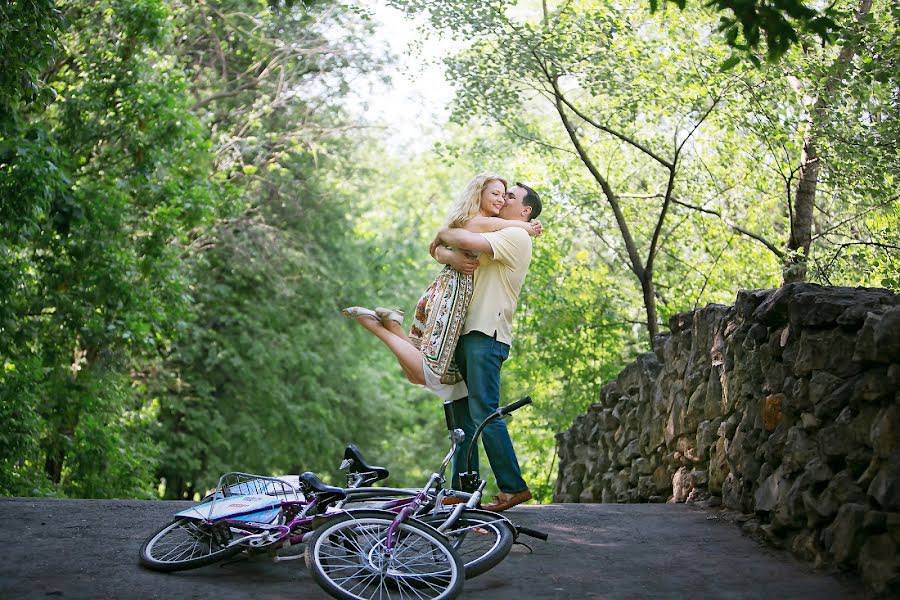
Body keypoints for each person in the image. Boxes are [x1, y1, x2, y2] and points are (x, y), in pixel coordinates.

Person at [341, 173, 542, 403]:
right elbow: (448, 239)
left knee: (418, 374)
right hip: (452, 292)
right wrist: (522, 225)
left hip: (449, 291)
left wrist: (445, 250)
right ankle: (376, 326)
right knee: (429, 373)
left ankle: (393, 326)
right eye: (496, 194)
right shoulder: (486, 221)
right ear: (480, 194)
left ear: (525, 209)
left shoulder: (496, 228)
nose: (502, 199)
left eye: (506, 196)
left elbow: (438, 245)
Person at [430, 182, 542, 512]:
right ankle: (462, 492)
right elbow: (443, 244)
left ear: (525, 211)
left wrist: (445, 233)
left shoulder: (517, 236)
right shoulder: (504, 228)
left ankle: (513, 487)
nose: (503, 199)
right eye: (501, 194)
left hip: (486, 334)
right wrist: (445, 248)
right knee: (462, 419)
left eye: (511, 197)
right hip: (465, 334)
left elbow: (460, 236)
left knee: (484, 412)